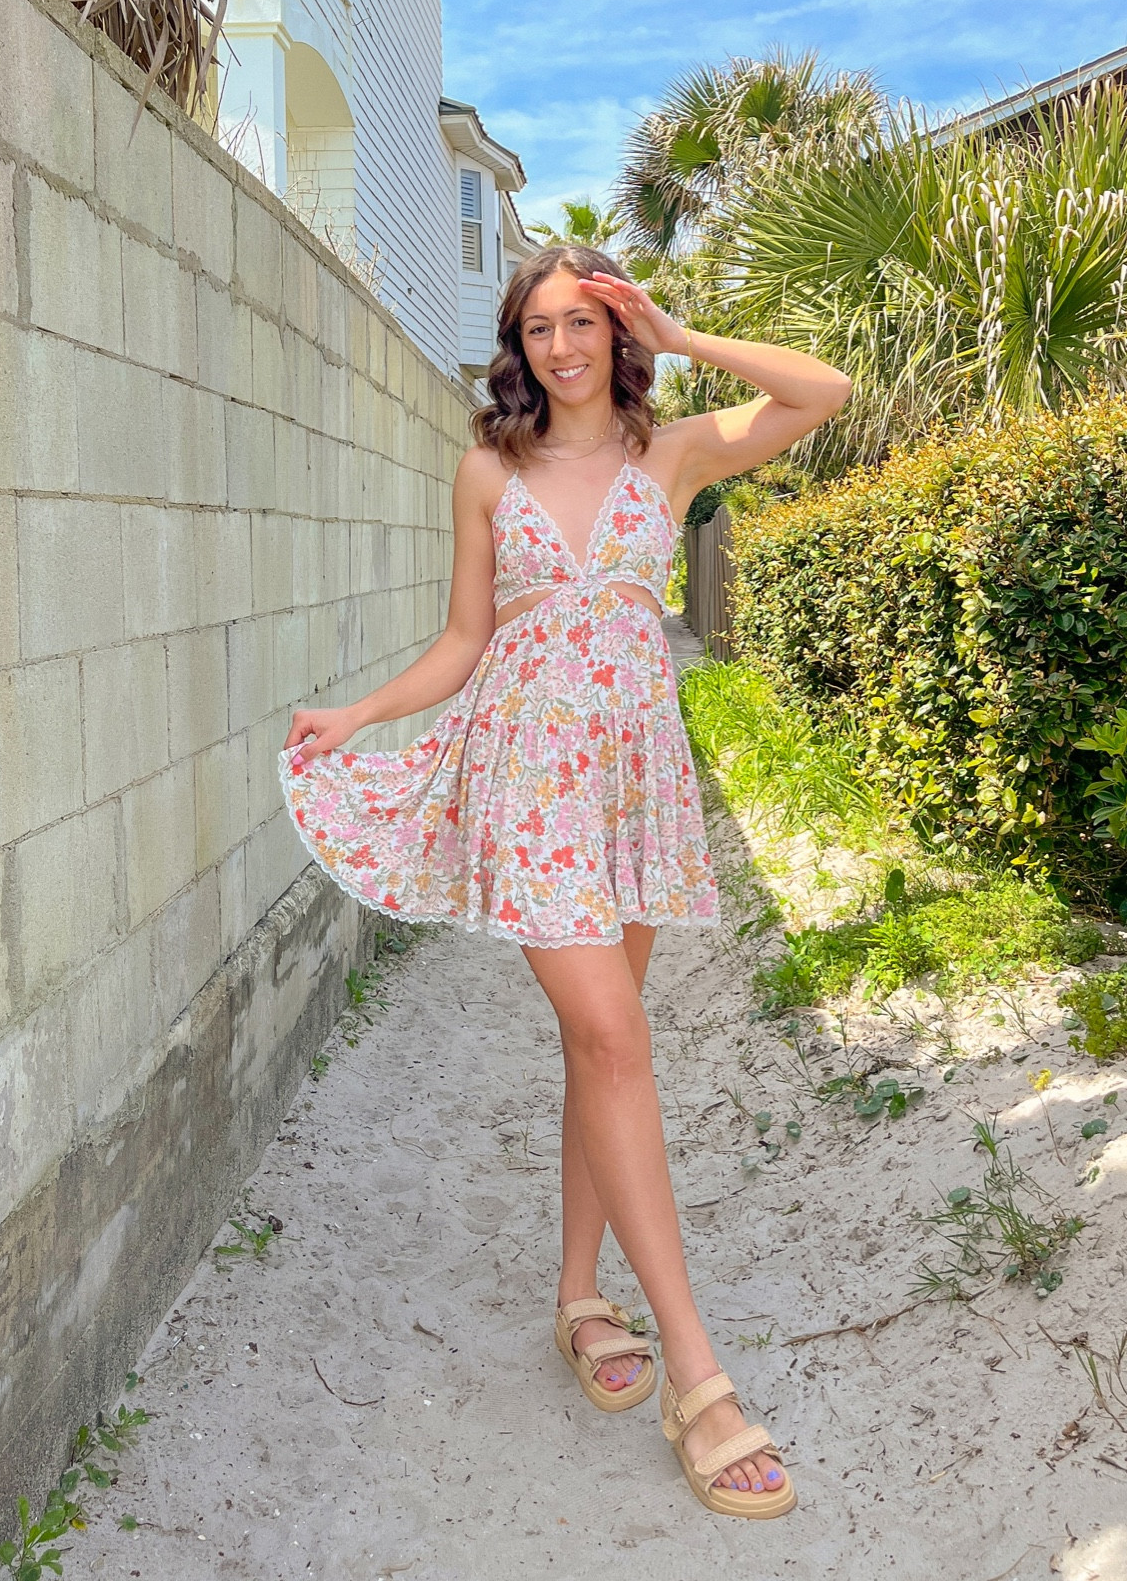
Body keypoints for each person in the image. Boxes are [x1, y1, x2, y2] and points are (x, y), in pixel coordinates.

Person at [279, 245, 849, 1520]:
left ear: (615, 327)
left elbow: (825, 390)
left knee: (606, 1049)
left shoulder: (675, 451)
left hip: (634, 778)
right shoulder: (490, 468)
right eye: (537, 325)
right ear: (517, 345)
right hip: (528, 778)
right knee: (612, 1035)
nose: (559, 344)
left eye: (580, 320)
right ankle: (695, 1373)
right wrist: (362, 710)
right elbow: (466, 636)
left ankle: (576, 1298)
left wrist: (688, 335)